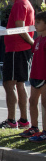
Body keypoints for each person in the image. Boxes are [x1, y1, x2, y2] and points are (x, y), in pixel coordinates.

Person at [0, 0, 35, 129]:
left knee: (9, 84)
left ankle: (12, 120)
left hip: (16, 49)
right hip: (18, 49)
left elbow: (20, 27)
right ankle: (23, 120)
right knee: (19, 84)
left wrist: (32, 43)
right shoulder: (22, 2)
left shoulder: (20, 3)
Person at [26, 12, 46, 142]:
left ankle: (45, 131)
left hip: (44, 77)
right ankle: (34, 127)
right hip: (35, 76)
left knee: (45, 103)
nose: (35, 25)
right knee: (32, 101)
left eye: (38, 22)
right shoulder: (37, 39)